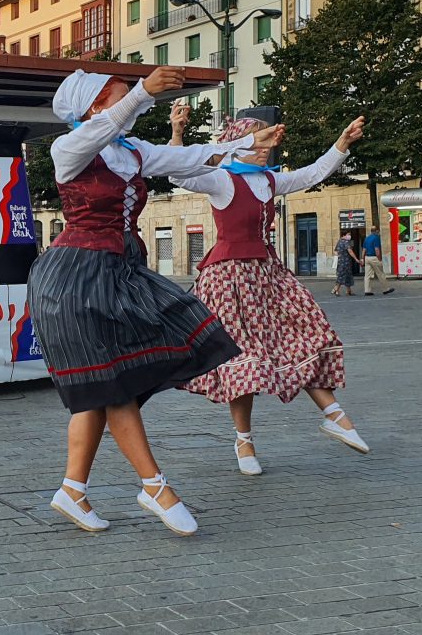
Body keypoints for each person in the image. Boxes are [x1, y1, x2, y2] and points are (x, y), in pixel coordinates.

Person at [27, 68, 285, 536]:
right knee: (114, 387)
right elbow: (106, 125)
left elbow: (188, 158)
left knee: (101, 390)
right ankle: (154, 486)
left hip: (120, 270)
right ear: (94, 106)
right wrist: (144, 92)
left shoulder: (131, 152)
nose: (133, 106)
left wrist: (247, 146)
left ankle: (72, 489)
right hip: (74, 277)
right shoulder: (68, 148)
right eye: (122, 99)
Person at [171, 115, 370, 477]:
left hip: (268, 274)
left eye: (268, 142)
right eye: (258, 142)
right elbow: (177, 175)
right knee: (244, 361)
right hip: (229, 278)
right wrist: (176, 134)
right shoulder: (221, 180)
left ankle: (335, 416)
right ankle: (243, 440)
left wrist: (342, 143)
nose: (266, 149)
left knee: (308, 333)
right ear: (238, 146)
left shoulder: (269, 180)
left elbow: (311, 174)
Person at [361, 225, 394, 296]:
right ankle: (386, 289)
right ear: (377, 231)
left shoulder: (367, 238)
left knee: (367, 275)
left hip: (367, 257)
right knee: (380, 273)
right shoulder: (376, 238)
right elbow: (377, 249)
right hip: (374, 257)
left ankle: (367, 290)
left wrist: (362, 258)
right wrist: (379, 258)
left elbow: (364, 250)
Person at [331, 230, 361, 296]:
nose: (349, 236)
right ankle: (335, 288)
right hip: (346, 262)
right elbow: (350, 251)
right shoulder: (346, 242)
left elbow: (335, 251)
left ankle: (348, 291)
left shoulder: (339, 241)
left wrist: (339, 256)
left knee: (347, 276)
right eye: (348, 234)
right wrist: (356, 259)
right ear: (343, 235)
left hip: (340, 261)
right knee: (342, 275)